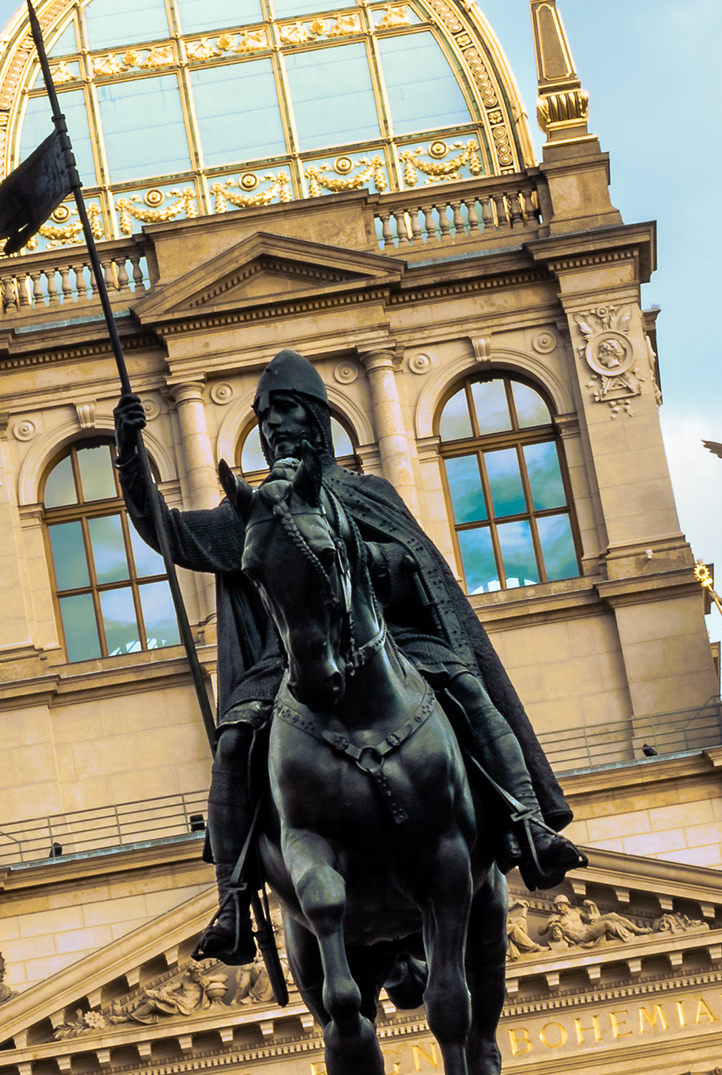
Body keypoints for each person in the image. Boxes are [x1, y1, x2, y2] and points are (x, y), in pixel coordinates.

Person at [113, 351, 582, 963]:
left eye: (284, 411)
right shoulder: (255, 510)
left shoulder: (367, 492)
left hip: (391, 642)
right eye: (264, 418)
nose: (273, 425)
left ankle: (528, 824)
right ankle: (231, 897)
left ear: (315, 418)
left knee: (466, 688)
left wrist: (370, 567)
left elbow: (416, 567)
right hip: (288, 661)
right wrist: (128, 454)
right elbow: (168, 532)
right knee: (233, 738)